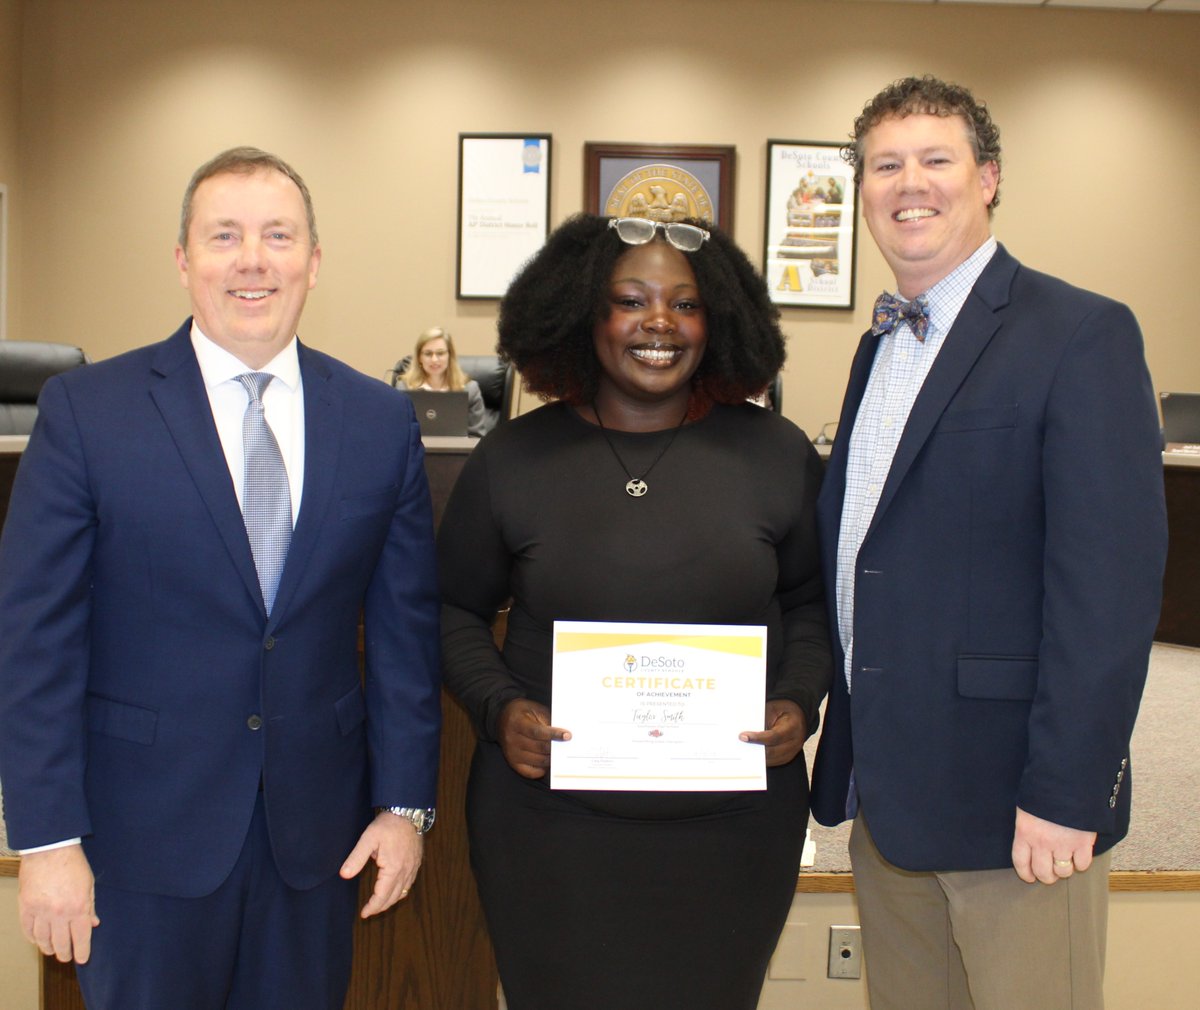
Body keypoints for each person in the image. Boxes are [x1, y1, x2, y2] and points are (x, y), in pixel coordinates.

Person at [0, 147, 442, 1010]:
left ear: (313, 262)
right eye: (225, 235)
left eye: (279, 235)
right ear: (183, 260)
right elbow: (33, 644)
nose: (253, 259)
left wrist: (404, 808)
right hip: (137, 845)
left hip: (316, 845)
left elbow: (404, 637)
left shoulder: (379, 420)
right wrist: (47, 840)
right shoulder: (89, 412)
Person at [809, 76, 1168, 1010]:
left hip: (1017, 813)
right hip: (889, 806)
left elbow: (1109, 593)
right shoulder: (877, 347)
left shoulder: (1080, 333)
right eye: (885, 165)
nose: (908, 183)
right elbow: (868, 557)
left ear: (990, 178)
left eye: (936, 159)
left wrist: (1067, 791)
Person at [438, 213, 832, 1010]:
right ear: (585, 316)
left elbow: (812, 603)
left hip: (734, 830)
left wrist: (799, 700)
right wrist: (499, 707)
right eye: (630, 300)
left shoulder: (777, 454)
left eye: (685, 305)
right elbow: (452, 609)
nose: (659, 322)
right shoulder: (514, 458)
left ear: (716, 322)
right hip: (547, 828)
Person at [397, 326, 486, 437]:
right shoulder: (404, 388)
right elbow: (398, 433)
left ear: (450, 356)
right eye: (428, 354)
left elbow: (476, 437)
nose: (434, 359)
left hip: (458, 453)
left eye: (440, 353)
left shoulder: (470, 390)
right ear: (419, 357)